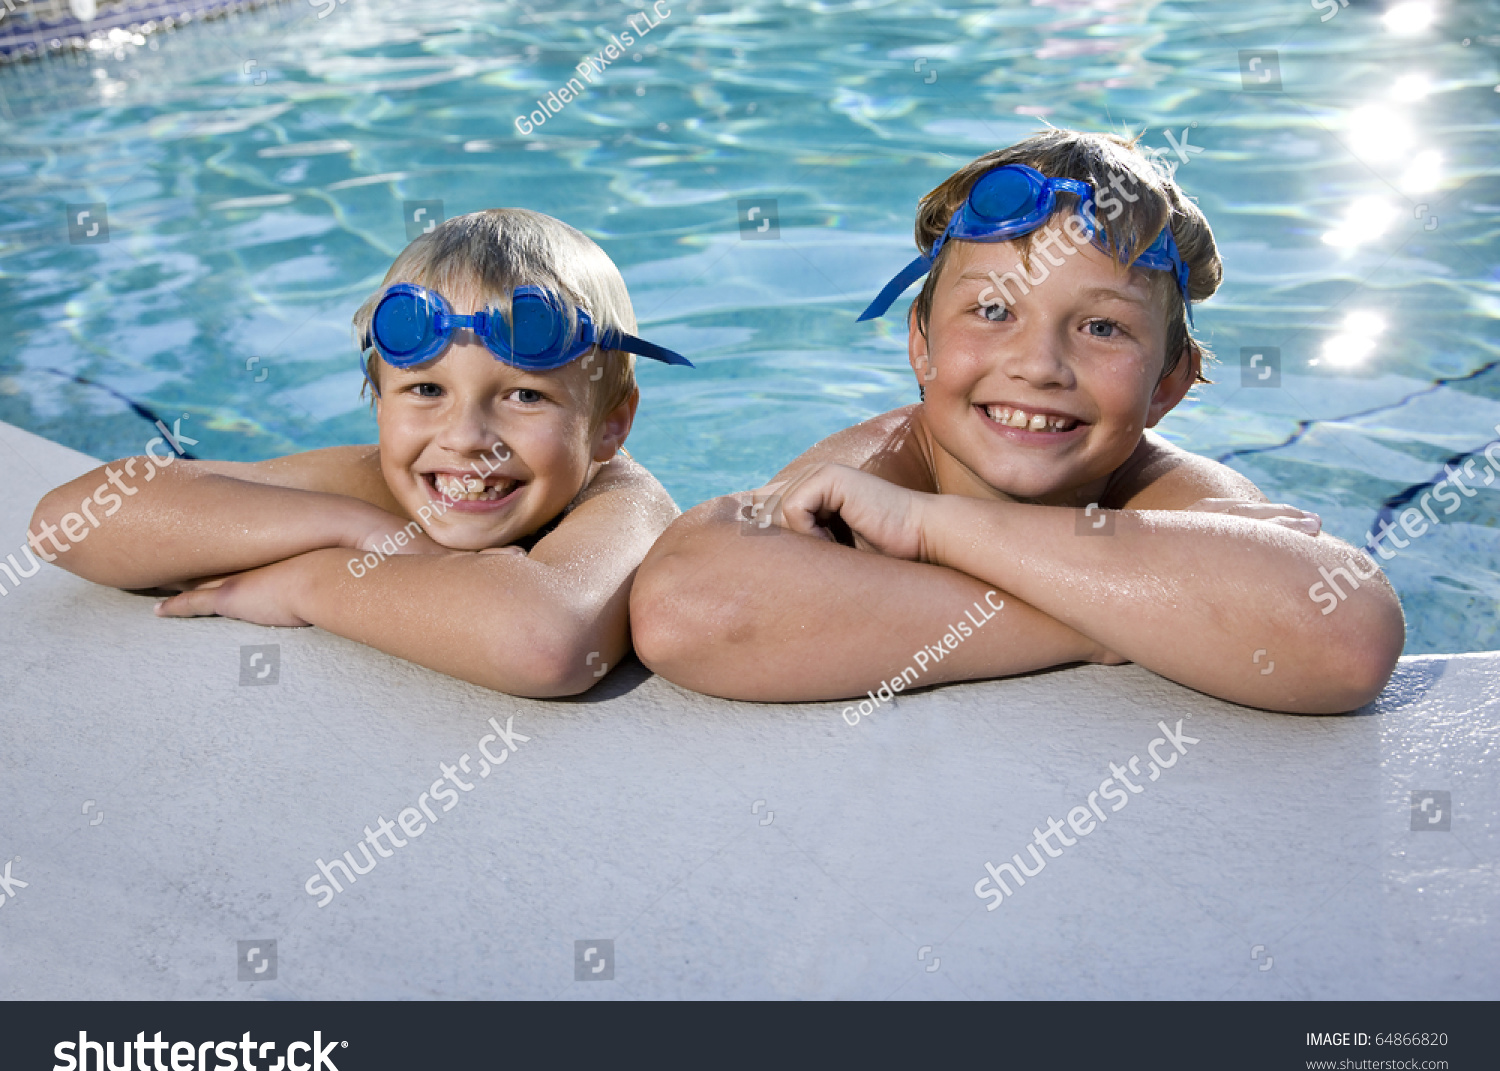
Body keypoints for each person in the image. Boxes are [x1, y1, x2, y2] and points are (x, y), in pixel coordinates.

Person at [630, 129, 1403, 714]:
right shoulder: (885, 462)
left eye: (1103, 327)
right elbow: (685, 609)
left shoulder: (1156, 485)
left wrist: (932, 530)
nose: (1039, 365)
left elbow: (1346, 637)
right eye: (992, 310)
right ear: (922, 344)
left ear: (1169, 382)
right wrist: (1106, 622)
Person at [30, 208, 691, 698]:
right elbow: (68, 521)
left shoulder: (621, 504)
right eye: (426, 389)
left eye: (523, 396)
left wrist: (309, 582)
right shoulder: (376, 488)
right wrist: (356, 529)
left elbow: (546, 644)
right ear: (378, 398)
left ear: (610, 424)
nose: (465, 439)